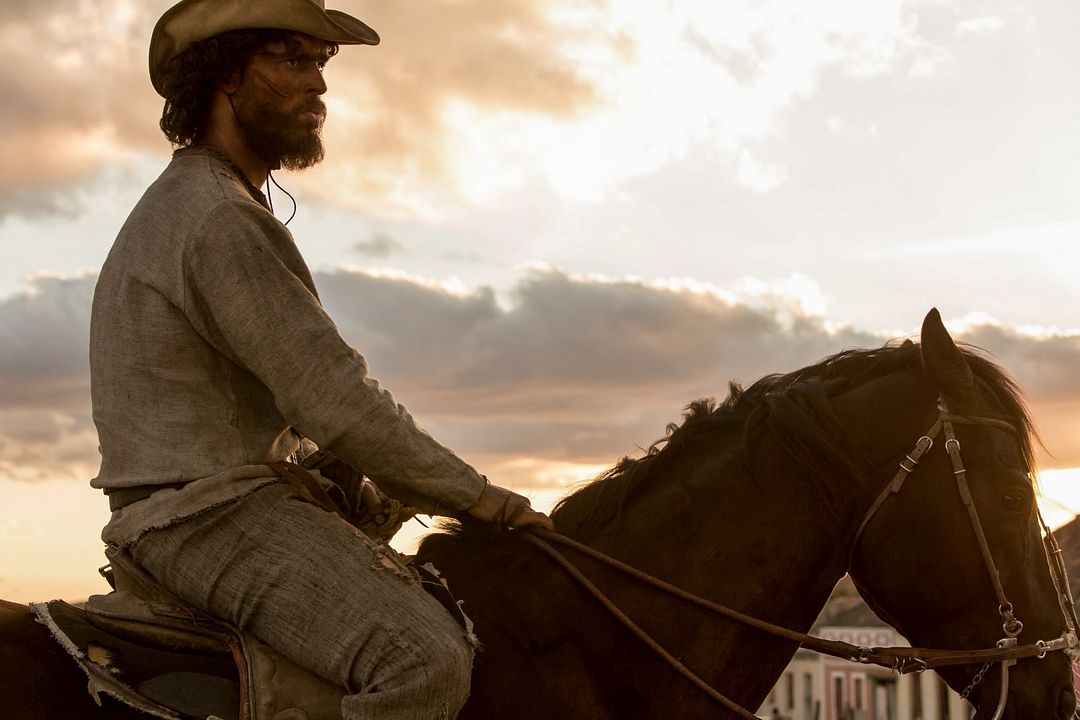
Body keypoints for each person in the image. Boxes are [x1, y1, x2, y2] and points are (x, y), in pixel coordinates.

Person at [89, 1, 553, 718]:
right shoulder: (218, 218)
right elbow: (335, 398)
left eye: (321, 64)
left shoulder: (210, 202)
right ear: (227, 77)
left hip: (223, 502)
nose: (319, 87)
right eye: (292, 61)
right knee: (422, 657)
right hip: (206, 519)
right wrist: (482, 498)